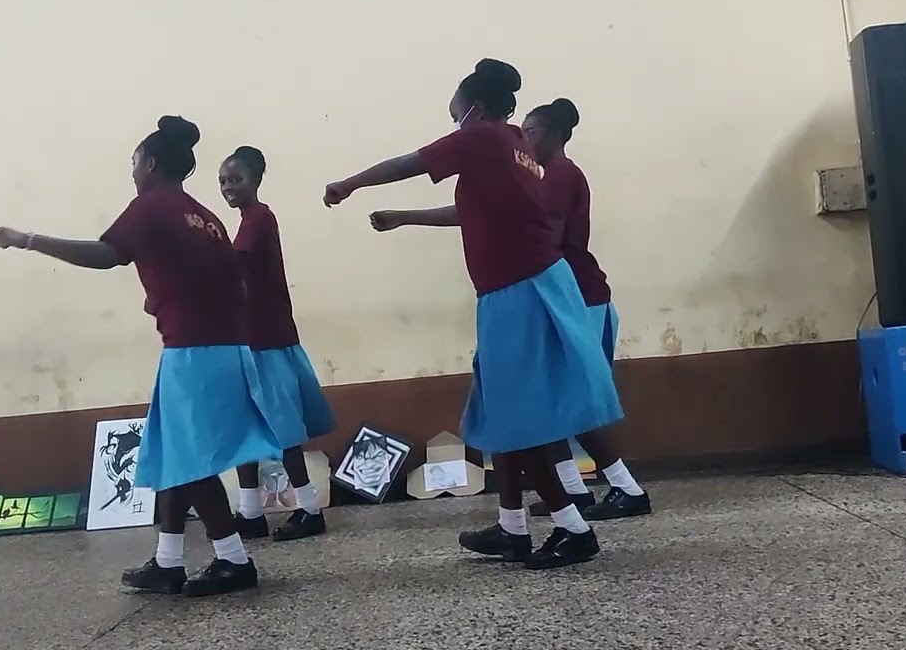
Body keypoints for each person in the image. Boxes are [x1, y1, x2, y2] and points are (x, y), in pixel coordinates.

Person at [323, 59, 623, 570]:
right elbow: (477, 211)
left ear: (475, 110)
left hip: (519, 291)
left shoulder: (482, 138)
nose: (453, 124)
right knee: (497, 415)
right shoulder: (516, 147)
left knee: (516, 419)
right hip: (524, 288)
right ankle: (511, 527)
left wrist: (348, 184)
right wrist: (405, 217)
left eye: (455, 114)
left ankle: (574, 529)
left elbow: (408, 162)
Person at [0, 116, 280, 597]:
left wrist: (30, 240)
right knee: (170, 454)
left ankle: (234, 559)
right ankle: (168, 561)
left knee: (192, 461)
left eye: (133, 162)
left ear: (149, 163)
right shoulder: (204, 216)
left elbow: (108, 253)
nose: (132, 171)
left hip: (195, 350)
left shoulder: (151, 206)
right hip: (218, 345)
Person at [368, 99, 652, 522]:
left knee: (566, 399)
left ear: (558, 136)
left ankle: (626, 487)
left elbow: (546, 235)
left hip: (575, 296)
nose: (525, 137)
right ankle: (573, 492)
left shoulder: (558, 176)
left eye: (533, 131)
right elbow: (475, 213)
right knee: (543, 407)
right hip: (549, 296)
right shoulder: (530, 174)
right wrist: (406, 217)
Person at [219, 145, 335, 542]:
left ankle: (308, 507)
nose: (228, 187)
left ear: (256, 180)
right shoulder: (248, 220)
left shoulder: (258, 219)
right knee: (248, 426)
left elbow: (235, 261)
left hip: (265, 339)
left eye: (236, 179)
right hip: (251, 339)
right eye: (223, 181)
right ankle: (250, 511)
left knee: (283, 428)